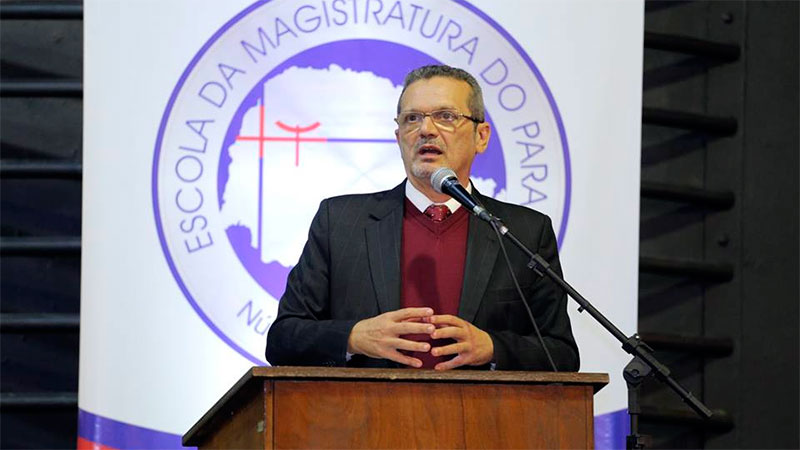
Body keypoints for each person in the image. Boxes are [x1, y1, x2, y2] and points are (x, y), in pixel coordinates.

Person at [266, 65, 579, 371]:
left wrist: (492, 348)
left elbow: (561, 355)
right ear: (399, 135)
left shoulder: (524, 232)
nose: (426, 130)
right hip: (364, 416)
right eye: (412, 118)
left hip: (483, 418)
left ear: (481, 136)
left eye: (445, 116)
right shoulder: (340, 223)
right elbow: (282, 340)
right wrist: (353, 337)